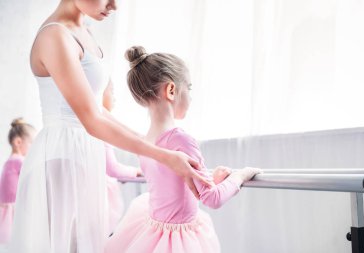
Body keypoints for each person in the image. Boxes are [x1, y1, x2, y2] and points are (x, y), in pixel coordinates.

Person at [8, 1, 210, 252]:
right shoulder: (54, 35)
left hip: (84, 152)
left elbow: (96, 108)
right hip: (61, 156)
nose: (114, 5)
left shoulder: (84, 31)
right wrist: (165, 155)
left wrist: (153, 145)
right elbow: (91, 118)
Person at [105, 46, 262, 253]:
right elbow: (212, 199)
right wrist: (240, 176)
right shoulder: (181, 139)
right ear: (171, 90)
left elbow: (174, 187)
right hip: (178, 240)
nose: (190, 96)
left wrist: (211, 180)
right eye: (188, 88)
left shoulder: (145, 141)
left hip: (153, 231)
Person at [103, 81, 143, 234]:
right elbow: (112, 169)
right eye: (112, 92)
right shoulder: (101, 130)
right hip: (99, 199)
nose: (115, 98)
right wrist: (134, 171)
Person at [0, 119, 35, 244]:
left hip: (5, 208)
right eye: (32, 143)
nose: (33, 147)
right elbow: (33, 179)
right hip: (14, 208)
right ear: (18, 142)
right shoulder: (20, 161)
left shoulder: (8, 161)